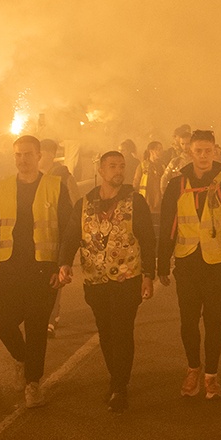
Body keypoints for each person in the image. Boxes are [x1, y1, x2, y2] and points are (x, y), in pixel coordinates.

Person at [0, 135, 74, 408]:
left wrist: (63, 265)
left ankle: (33, 383)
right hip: (9, 267)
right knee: (1, 321)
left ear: (40, 156)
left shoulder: (55, 187)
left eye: (28, 154)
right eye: (18, 155)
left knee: (35, 327)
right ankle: (23, 359)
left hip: (43, 269)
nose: (23, 160)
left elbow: (69, 229)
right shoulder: (2, 188)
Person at [60, 151, 156, 413]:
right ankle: (116, 378)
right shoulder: (85, 203)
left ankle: (119, 386)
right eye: (112, 166)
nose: (118, 171)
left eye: (122, 166)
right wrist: (64, 263)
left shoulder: (135, 202)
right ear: (101, 170)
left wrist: (149, 275)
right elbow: (71, 235)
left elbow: (148, 239)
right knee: (105, 331)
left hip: (128, 279)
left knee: (122, 330)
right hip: (95, 279)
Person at [158, 130, 221, 399]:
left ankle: (211, 377)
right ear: (190, 153)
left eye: (208, 151)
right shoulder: (176, 185)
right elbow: (167, 226)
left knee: (213, 322)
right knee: (188, 322)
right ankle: (193, 369)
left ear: (215, 151)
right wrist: (162, 264)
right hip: (187, 263)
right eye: (198, 151)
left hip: (218, 263)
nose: (204, 156)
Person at [41, 138, 82, 338]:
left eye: (40, 153)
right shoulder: (36, 177)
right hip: (39, 235)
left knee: (55, 274)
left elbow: (77, 204)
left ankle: (50, 318)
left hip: (59, 234)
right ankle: (49, 313)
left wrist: (74, 233)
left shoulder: (64, 176)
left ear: (49, 154)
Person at [133, 141, 166, 215]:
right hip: (146, 201)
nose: (161, 152)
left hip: (160, 202)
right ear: (151, 151)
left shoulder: (162, 165)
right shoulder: (143, 166)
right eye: (159, 149)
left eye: (161, 149)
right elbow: (136, 183)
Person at [159, 126, 193, 192]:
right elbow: (164, 178)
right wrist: (164, 192)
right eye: (182, 144)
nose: (185, 147)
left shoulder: (198, 161)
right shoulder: (175, 162)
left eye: (188, 144)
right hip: (178, 195)